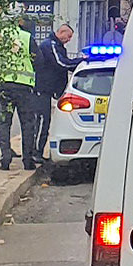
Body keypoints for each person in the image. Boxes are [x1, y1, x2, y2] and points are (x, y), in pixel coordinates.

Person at [34, 23, 84, 162]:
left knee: (45, 121)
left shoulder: (57, 46)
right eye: (68, 37)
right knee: (42, 121)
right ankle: (35, 152)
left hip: (50, 90)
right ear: (61, 32)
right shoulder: (50, 45)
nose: (69, 40)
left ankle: (37, 152)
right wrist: (80, 62)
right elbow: (61, 63)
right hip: (42, 89)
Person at [0, 22, 40, 171]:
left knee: (3, 123)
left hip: (3, 85)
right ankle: (27, 160)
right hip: (24, 87)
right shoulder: (27, 37)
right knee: (27, 124)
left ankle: (5, 158)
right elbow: (39, 61)